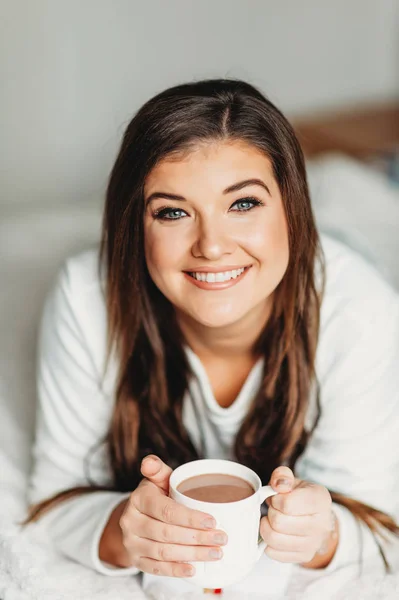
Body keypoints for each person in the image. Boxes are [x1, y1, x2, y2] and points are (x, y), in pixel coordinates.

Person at [26, 79, 399, 594]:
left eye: (243, 204)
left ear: (292, 208)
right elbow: (55, 501)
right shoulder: (85, 297)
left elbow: (382, 528)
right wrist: (124, 530)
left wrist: (324, 533)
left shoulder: (361, 311)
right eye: (173, 212)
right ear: (136, 226)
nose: (212, 246)